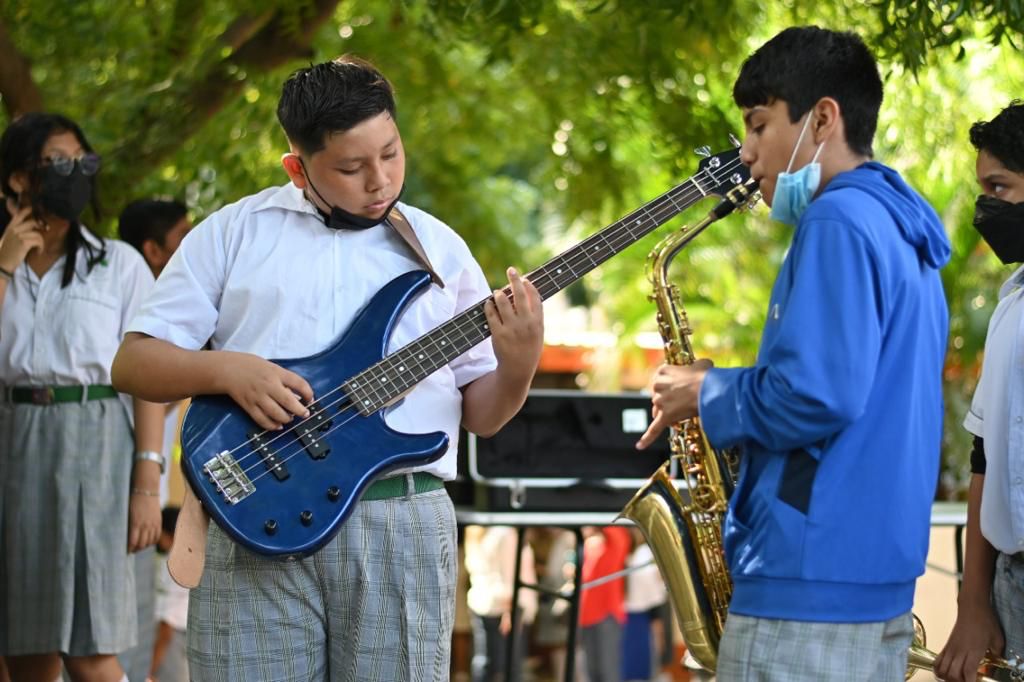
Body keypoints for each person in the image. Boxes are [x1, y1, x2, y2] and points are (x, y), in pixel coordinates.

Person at [110, 55, 544, 681]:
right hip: (250, 514)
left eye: (391, 153)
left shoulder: (441, 249)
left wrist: (519, 364)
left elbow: (483, 415)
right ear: (298, 167)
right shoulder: (233, 234)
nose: (380, 180)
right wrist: (228, 370)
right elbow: (133, 363)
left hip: (400, 520)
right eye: (350, 167)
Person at [635, 26, 950, 681]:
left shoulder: (836, 220)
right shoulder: (899, 227)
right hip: (868, 581)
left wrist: (705, 392)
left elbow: (815, 395)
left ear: (823, 119)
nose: (747, 152)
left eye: (759, 125)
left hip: (807, 586)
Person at [0, 112, 164, 682]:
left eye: (83, 162)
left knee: (92, 651)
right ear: (19, 178)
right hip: (14, 444)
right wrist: (4, 265)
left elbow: (147, 377)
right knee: (25, 650)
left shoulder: (117, 264)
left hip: (97, 446)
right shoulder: (1, 262)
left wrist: (147, 483)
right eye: (59, 163)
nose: (75, 173)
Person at [934, 101, 1024, 682]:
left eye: (999, 187)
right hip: (1013, 585)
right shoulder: (1012, 304)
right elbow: (984, 456)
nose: (985, 207)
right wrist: (973, 603)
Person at [116, 198, 189, 682]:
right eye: (182, 237)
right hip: (127, 489)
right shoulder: (139, 313)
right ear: (153, 251)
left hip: (148, 491)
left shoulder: (177, 314)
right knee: (124, 628)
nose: (194, 246)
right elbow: (137, 399)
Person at [463, 526, 538, 682]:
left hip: (482, 602)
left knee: (484, 660)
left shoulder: (476, 533)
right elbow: (510, 575)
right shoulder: (504, 533)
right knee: (508, 664)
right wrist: (510, 611)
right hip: (505, 606)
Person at [578, 526, 631, 682]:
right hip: (586, 617)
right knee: (591, 671)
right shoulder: (589, 545)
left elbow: (615, 528)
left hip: (607, 615)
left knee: (608, 670)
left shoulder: (615, 542)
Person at [149, 506, 189, 682]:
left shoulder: (175, 566)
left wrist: (151, 669)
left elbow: (168, 623)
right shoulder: (188, 560)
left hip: (171, 640)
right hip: (176, 638)